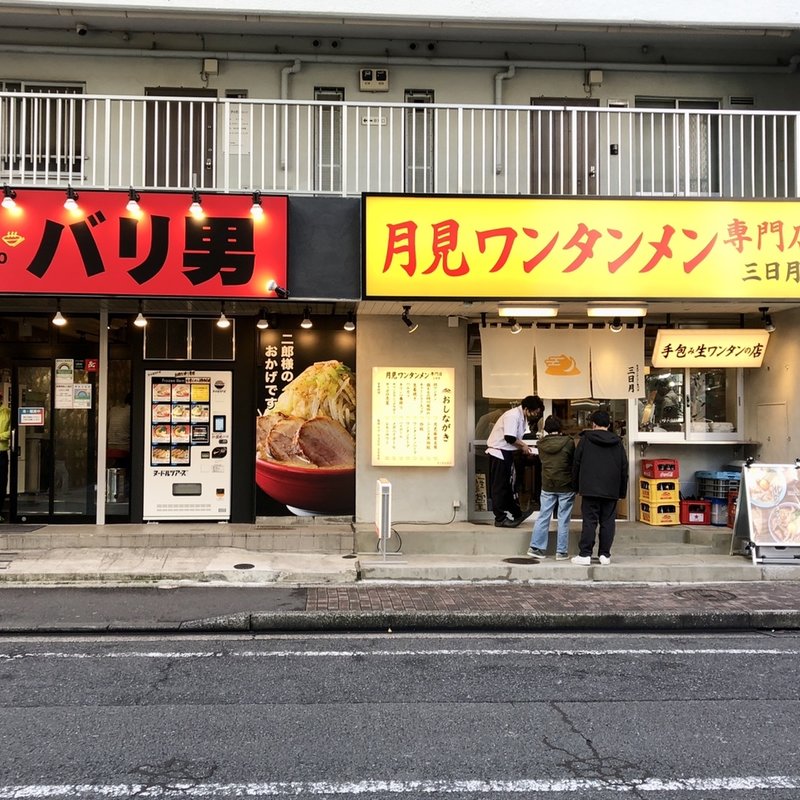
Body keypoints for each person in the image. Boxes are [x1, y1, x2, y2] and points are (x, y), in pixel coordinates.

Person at [571, 408, 628, 565]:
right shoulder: (617, 443)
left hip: (589, 488)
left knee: (589, 521)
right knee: (608, 521)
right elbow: (624, 468)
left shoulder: (585, 440)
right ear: (609, 425)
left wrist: (576, 485)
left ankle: (585, 554)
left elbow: (576, 464)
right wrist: (622, 491)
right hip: (611, 488)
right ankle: (605, 555)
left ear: (593, 424)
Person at [485, 395, 545, 527]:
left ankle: (517, 512)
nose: (535, 415)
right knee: (500, 487)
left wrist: (523, 446)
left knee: (508, 486)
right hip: (499, 453)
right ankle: (500, 518)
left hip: (506, 453)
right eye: (535, 412)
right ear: (527, 409)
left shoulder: (520, 416)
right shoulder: (512, 415)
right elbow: (510, 437)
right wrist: (523, 445)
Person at [527, 415, 576, 560]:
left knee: (543, 515)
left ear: (546, 429)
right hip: (566, 484)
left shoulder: (541, 444)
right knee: (563, 518)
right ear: (560, 428)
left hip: (548, 484)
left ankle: (536, 548)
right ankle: (561, 552)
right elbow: (572, 462)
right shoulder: (569, 442)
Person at [0, 391, 10, 523]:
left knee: (1, 483)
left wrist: (1, 436)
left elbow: (12, 430)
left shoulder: (7, 412)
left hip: (1, 451)